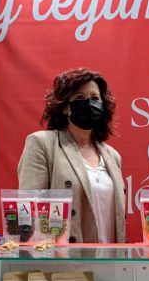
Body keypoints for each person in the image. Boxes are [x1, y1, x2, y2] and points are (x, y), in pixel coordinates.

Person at [18, 68, 126, 243]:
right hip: (66, 256)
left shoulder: (113, 156)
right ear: (64, 107)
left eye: (95, 98)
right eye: (79, 98)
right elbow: (29, 212)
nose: (89, 103)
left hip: (111, 256)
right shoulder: (42, 144)